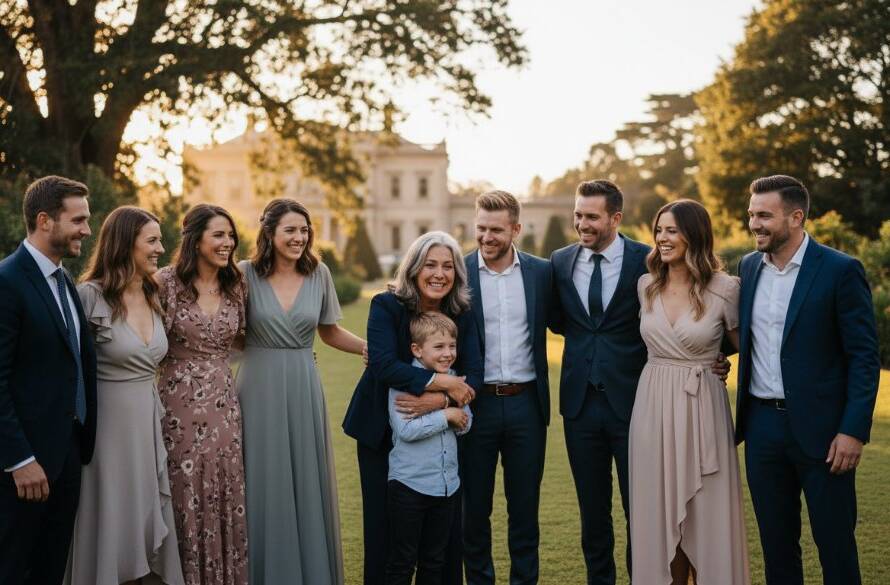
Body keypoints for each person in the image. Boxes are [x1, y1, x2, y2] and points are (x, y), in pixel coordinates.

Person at [549, 180, 728, 585]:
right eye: (578, 215)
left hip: (639, 406)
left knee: (644, 512)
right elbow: (559, 320)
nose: (582, 224)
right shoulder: (560, 262)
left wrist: (713, 358)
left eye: (591, 217)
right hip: (578, 407)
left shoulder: (646, 263)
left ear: (616, 217)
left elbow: (696, 314)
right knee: (592, 514)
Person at [735, 175, 879, 585]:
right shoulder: (748, 267)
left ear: (796, 217)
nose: (754, 224)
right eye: (751, 215)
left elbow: (864, 358)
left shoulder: (840, 270)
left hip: (825, 433)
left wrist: (852, 431)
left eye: (764, 215)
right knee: (777, 548)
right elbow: (747, 335)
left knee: (835, 546)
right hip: (761, 429)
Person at [236, 198, 365, 585]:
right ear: (270, 233)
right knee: (261, 478)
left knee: (305, 478)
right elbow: (227, 328)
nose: (299, 237)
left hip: (303, 384)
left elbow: (329, 331)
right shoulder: (244, 273)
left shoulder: (319, 272)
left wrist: (372, 348)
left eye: (304, 230)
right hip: (257, 385)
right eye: (290, 230)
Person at [343, 230, 483, 585]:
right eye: (430, 264)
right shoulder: (386, 305)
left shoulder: (461, 313)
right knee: (385, 532)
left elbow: (476, 372)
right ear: (414, 268)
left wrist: (442, 399)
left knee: (442, 535)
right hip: (382, 432)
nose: (439, 273)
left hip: (440, 438)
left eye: (448, 266)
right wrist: (446, 383)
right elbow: (383, 365)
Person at [629, 199, 749, 585]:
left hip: (703, 409)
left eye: (672, 230)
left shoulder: (726, 288)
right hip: (652, 408)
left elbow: (748, 347)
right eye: (659, 230)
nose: (663, 238)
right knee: (658, 511)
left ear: (694, 234)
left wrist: (719, 358)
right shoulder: (646, 285)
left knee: (707, 510)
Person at [65, 206, 185, 585]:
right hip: (105, 430)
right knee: (108, 517)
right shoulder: (89, 296)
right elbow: (66, 369)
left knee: (142, 516)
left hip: (147, 423)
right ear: (123, 243)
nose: (160, 249)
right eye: (151, 241)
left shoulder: (155, 293)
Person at [0, 175, 98, 585]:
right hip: (24, 468)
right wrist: (20, 460)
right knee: (12, 570)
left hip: (67, 457)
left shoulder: (64, 283)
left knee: (50, 570)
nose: (87, 230)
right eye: (78, 220)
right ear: (44, 220)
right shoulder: (7, 281)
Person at [155, 204, 249, 585]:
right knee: (182, 490)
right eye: (218, 235)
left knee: (225, 488)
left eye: (230, 235)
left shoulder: (236, 284)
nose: (227, 243)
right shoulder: (164, 283)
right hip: (177, 406)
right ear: (195, 239)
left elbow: (246, 338)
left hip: (225, 404)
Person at [463, 191, 552, 585]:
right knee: (473, 510)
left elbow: (578, 325)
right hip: (474, 405)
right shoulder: (457, 272)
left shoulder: (542, 273)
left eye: (496, 229)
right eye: (481, 227)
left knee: (525, 510)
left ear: (516, 229)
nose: (486, 236)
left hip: (526, 406)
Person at [386, 312, 473, 585]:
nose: (448, 353)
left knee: (434, 561)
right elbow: (407, 430)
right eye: (439, 347)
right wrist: (447, 415)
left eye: (452, 346)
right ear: (417, 349)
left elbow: (467, 422)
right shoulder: (403, 381)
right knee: (402, 562)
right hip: (409, 486)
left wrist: (454, 413)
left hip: (447, 486)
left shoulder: (456, 379)